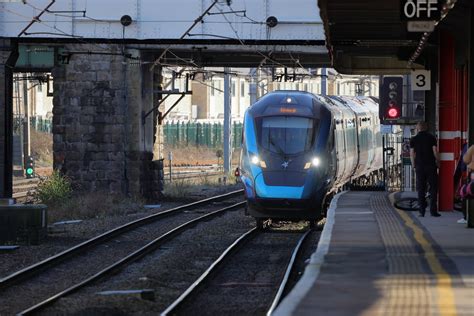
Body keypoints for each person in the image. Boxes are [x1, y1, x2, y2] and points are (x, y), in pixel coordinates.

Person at [410, 121, 441, 217]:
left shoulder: (414, 139)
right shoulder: (431, 137)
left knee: (421, 189)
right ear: (426, 128)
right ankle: (433, 211)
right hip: (431, 166)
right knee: (433, 188)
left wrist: (413, 164)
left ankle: (421, 211)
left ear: (418, 128)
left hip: (420, 166)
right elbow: (435, 151)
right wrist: (438, 162)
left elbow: (412, 154)